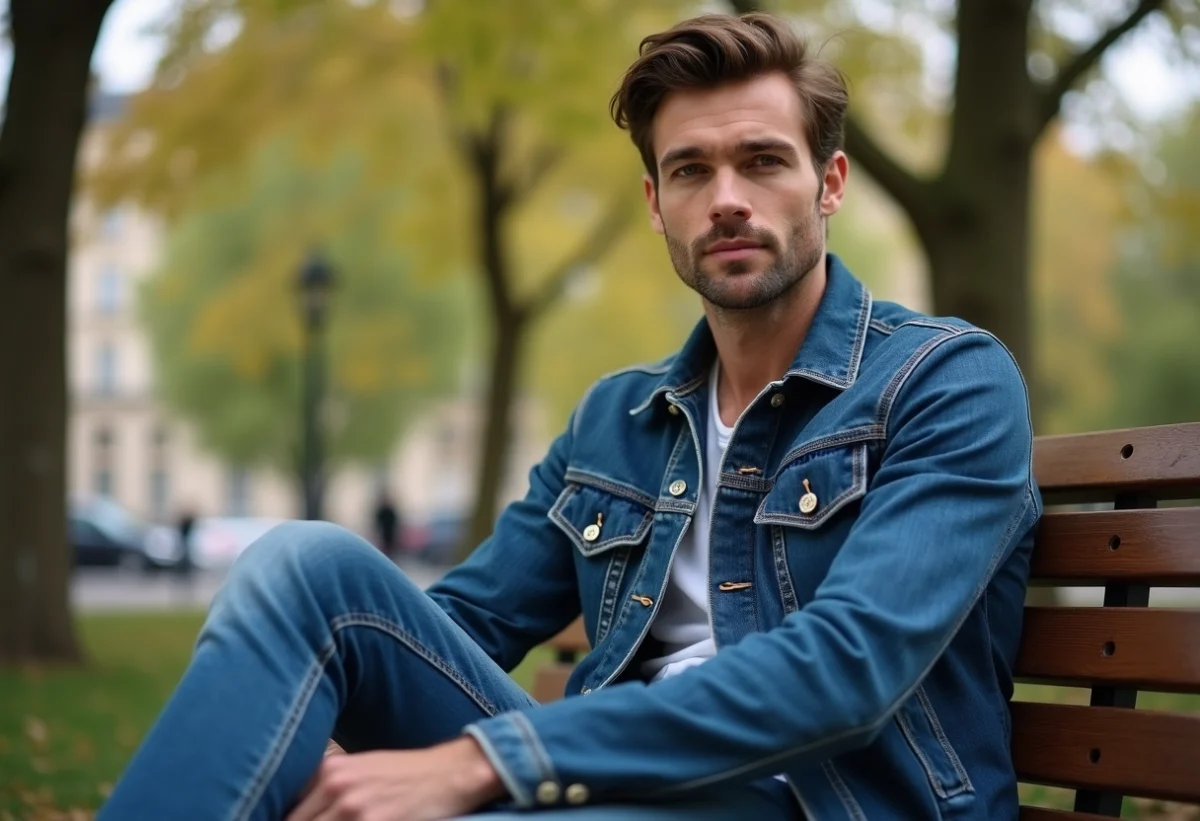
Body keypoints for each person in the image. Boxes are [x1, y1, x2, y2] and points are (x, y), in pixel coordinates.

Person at [98, 12, 1040, 821]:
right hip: (610, 785)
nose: (727, 201)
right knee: (305, 566)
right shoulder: (619, 418)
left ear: (829, 184)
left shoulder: (944, 382)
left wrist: (483, 761)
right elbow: (455, 623)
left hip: (818, 797)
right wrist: (331, 744)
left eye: (763, 162)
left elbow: (847, 671)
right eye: (690, 171)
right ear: (655, 204)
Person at [373, 491, 401, 559]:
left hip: (390, 533)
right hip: (384, 533)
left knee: (390, 548)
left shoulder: (390, 511)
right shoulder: (382, 510)